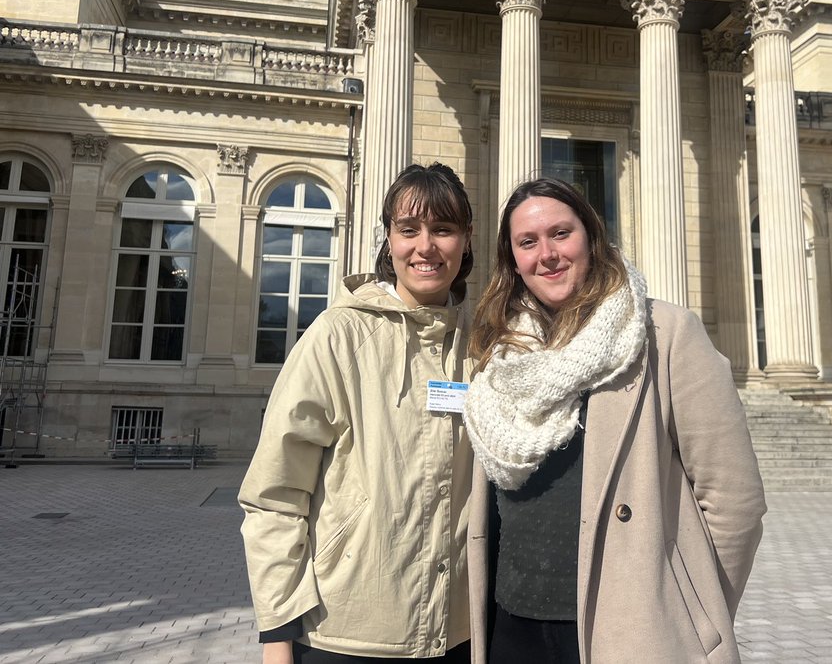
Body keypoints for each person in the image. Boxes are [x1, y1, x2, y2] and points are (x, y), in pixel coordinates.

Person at [463, 178, 766, 664]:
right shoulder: (500, 356)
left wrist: (694, 617)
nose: (548, 254)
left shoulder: (665, 334)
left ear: (591, 237)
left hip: (631, 629)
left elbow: (735, 502)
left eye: (561, 233)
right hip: (513, 624)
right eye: (527, 242)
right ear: (513, 262)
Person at [240, 163, 475, 664]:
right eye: (408, 230)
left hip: (457, 633)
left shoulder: (481, 346)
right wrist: (277, 634)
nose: (425, 247)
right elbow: (275, 494)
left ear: (466, 240)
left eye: (443, 229)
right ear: (388, 240)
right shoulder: (338, 336)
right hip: (346, 632)